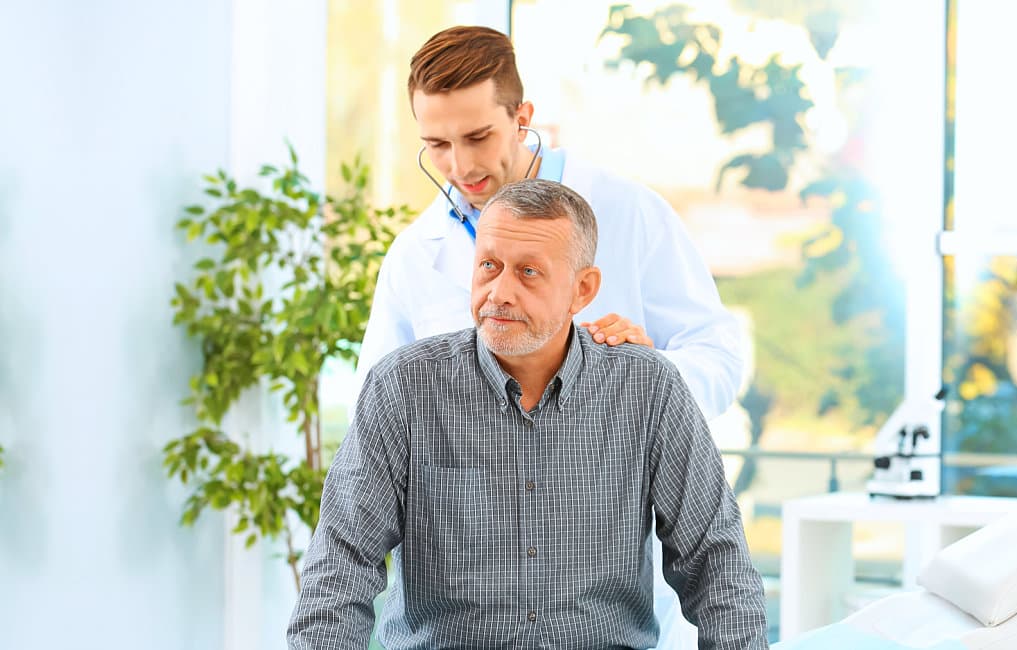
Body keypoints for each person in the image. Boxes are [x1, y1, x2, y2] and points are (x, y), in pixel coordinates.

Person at [356, 27, 746, 644]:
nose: (460, 167)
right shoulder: (413, 257)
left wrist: (655, 379)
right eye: (437, 145)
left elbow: (720, 353)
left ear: (522, 118)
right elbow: (372, 424)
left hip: (602, 602)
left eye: (478, 137)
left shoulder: (628, 213)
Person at [291, 179, 768, 649]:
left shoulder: (648, 389)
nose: (500, 292)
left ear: (583, 290)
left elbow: (716, 563)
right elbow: (341, 564)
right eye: (489, 266)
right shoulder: (403, 387)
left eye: (528, 273)